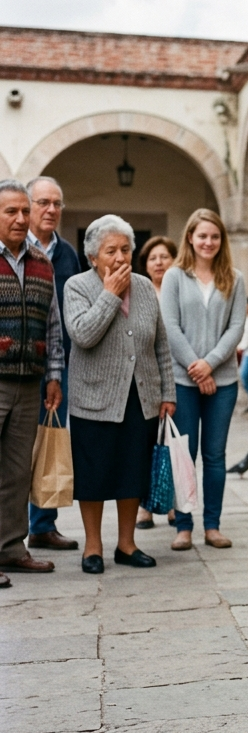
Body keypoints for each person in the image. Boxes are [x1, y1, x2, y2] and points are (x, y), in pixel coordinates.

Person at [64, 216, 177, 573]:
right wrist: (110, 294)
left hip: (140, 396)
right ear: (93, 257)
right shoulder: (77, 287)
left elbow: (160, 343)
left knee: (132, 471)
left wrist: (167, 392)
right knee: (94, 475)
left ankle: (126, 545)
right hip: (94, 399)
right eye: (110, 250)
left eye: (125, 249)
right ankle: (93, 548)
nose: (119, 257)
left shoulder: (144, 287)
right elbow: (83, 333)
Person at [161, 209, 246, 551]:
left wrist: (209, 365)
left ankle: (212, 526)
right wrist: (196, 368)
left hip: (222, 381)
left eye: (214, 236)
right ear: (190, 239)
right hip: (183, 379)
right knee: (184, 454)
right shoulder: (174, 277)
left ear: (221, 240)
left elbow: (236, 328)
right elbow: (170, 327)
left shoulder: (234, 278)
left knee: (214, 455)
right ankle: (183, 526)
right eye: (202, 236)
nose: (208, 242)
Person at [0, 180, 65, 588]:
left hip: (29, 383)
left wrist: (55, 374)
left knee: (17, 472)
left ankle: (10, 547)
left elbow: (53, 323)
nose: (22, 219)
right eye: (11, 212)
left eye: (25, 211)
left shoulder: (42, 260)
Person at [24, 175, 81, 552]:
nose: (51, 210)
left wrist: (59, 370)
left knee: (49, 442)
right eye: (43, 202)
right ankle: (10, 534)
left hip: (56, 364)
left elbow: (68, 315)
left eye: (57, 203)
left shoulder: (68, 256)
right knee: (14, 452)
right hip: (15, 362)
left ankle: (42, 526)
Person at [135, 235, 178, 530]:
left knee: (174, 443)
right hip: (147, 376)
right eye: (153, 258)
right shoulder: (139, 291)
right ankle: (144, 508)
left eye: (164, 256)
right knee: (145, 444)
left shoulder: (178, 290)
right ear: (145, 264)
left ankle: (174, 504)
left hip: (178, 372)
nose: (159, 262)